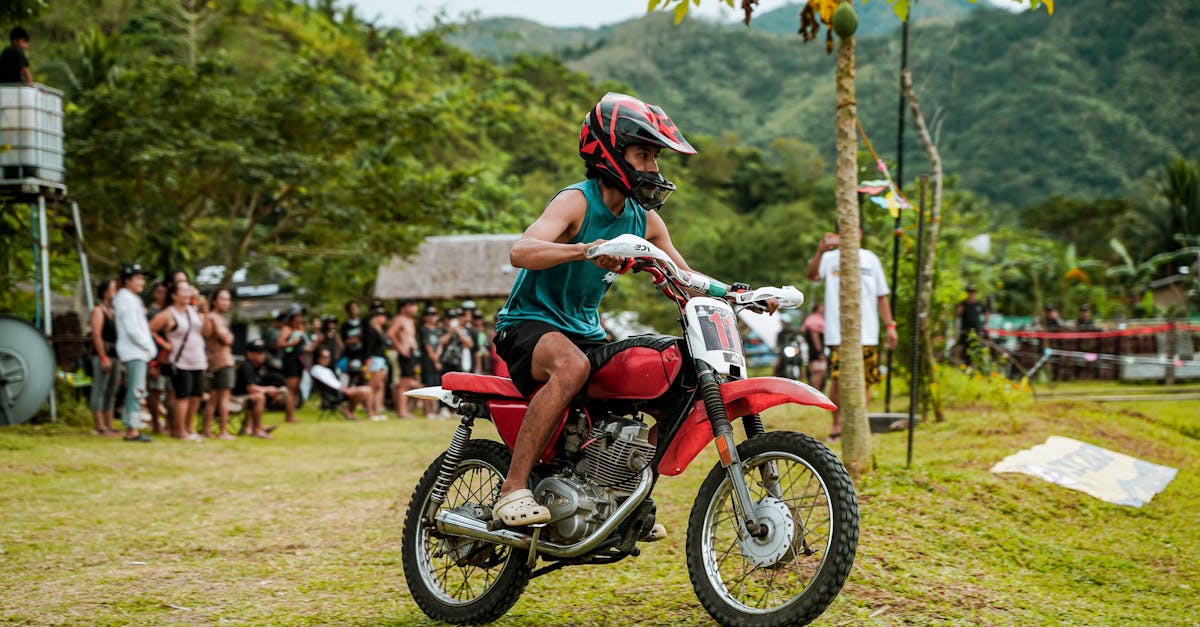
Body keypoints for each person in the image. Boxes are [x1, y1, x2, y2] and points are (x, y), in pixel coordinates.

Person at [490, 92, 703, 527]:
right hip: (530, 326)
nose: (653, 168)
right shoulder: (576, 201)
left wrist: (742, 295)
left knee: (673, 372)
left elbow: (686, 278)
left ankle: (624, 496)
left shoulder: (646, 220)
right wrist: (584, 250)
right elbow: (521, 251)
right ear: (609, 151)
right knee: (571, 367)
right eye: (643, 154)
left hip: (587, 335)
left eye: (655, 158)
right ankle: (512, 488)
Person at [806, 230, 898, 443]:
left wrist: (890, 326)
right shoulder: (830, 258)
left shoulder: (870, 258)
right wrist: (820, 250)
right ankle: (837, 425)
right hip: (839, 333)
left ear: (860, 232)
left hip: (867, 333)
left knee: (864, 381)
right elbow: (812, 276)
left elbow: (881, 295)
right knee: (837, 380)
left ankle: (859, 425)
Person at [150, 280, 207, 441]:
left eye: (189, 290)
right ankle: (179, 430)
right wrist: (163, 343)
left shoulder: (193, 311)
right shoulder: (168, 313)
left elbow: (205, 330)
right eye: (183, 291)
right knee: (182, 396)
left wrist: (205, 310)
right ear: (174, 295)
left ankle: (189, 428)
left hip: (198, 360)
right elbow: (150, 329)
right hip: (180, 361)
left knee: (196, 396)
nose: (187, 293)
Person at [113, 263, 155, 442]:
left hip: (138, 351)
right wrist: (148, 346)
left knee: (136, 389)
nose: (142, 282)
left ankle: (132, 425)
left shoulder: (132, 298)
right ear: (127, 280)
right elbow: (132, 329)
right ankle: (132, 430)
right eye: (138, 278)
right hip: (134, 350)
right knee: (136, 390)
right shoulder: (125, 298)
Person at [201, 288, 237, 440]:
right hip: (222, 361)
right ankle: (223, 431)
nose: (226, 303)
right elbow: (227, 339)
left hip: (215, 362)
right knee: (223, 398)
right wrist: (228, 335)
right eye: (222, 299)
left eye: (228, 299)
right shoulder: (213, 318)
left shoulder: (215, 318)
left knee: (213, 398)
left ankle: (207, 430)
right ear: (214, 301)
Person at [88, 279, 122, 437]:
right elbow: (96, 334)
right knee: (100, 388)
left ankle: (109, 423)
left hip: (116, 354)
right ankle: (99, 425)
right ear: (105, 292)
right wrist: (103, 357)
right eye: (113, 288)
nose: (115, 291)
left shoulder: (116, 311)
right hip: (103, 353)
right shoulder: (98, 310)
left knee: (112, 389)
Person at [231, 339, 284, 439]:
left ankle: (249, 427)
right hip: (235, 398)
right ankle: (257, 430)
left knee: (258, 396)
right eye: (259, 353)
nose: (262, 355)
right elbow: (251, 388)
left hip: (245, 396)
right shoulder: (246, 366)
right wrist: (268, 390)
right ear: (249, 354)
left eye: (263, 352)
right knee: (259, 397)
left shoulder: (257, 367)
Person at [310, 347, 373, 421]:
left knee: (368, 390)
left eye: (328, 357)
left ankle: (353, 411)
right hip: (335, 393)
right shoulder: (316, 369)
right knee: (366, 390)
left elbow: (333, 382)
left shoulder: (327, 370)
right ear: (318, 357)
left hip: (339, 390)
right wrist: (342, 389)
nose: (327, 359)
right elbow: (326, 383)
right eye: (324, 357)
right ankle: (356, 412)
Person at [276, 304, 311, 423]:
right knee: (290, 389)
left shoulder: (300, 329)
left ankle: (292, 415)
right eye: (298, 315)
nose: (300, 318)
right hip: (290, 360)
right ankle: (289, 416)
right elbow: (280, 343)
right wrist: (292, 343)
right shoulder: (287, 329)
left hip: (299, 360)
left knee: (296, 388)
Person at [387, 299, 421, 418]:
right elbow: (391, 333)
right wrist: (400, 347)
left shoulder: (410, 320)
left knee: (406, 383)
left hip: (410, 353)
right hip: (403, 354)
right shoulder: (400, 319)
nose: (416, 309)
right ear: (405, 307)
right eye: (413, 305)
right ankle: (402, 411)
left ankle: (404, 410)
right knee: (403, 383)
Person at [363, 306, 390, 420]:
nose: (384, 318)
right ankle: (370, 412)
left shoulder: (381, 330)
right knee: (372, 387)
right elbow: (368, 348)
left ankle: (377, 410)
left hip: (382, 360)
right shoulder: (371, 330)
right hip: (374, 360)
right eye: (381, 316)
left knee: (380, 386)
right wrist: (367, 364)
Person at [417, 305, 444, 417]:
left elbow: (440, 344)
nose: (431, 317)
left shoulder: (438, 330)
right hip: (427, 361)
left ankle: (434, 410)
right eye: (429, 315)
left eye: (434, 315)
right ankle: (428, 411)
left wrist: (437, 356)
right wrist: (435, 360)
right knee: (427, 385)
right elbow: (427, 346)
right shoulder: (424, 329)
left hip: (436, 359)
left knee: (435, 385)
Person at [955, 284, 989, 365]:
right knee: (966, 352)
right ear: (967, 293)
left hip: (976, 332)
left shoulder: (979, 304)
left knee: (979, 350)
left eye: (973, 292)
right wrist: (956, 328)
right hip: (966, 333)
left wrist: (984, 324)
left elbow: (987, 313)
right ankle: (966, 367)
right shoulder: (963, 304)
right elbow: (956, 316)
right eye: (969, 292)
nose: (971, 294)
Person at [801, 303, 827, 391]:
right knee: (818, 371)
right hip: (815, 351)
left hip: (812, 350)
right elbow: (815, 337)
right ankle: (816, 392)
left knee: (816, 371)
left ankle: (815, 392)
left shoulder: (812, 319)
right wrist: (819, 352)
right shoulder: (815, 320)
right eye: (822, 306)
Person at [340, 300, 366, 383]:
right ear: (348, 310)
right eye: (351, 308)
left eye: (355, 308)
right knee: (353, 377)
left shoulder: (364, 323)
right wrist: (357, 338)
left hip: (364, 355)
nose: (354, 310)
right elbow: (345, 342)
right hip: (351, 356)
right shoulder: (345, 325)